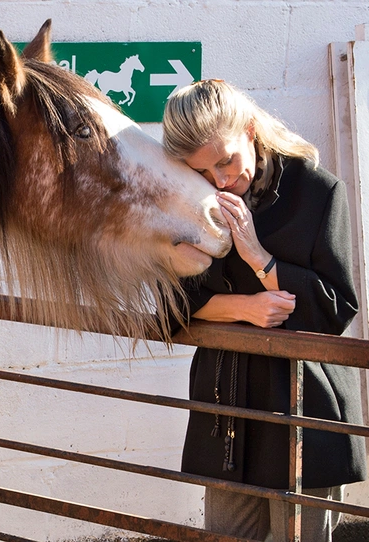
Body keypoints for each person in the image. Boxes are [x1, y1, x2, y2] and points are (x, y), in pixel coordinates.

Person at [162, 79, 366, 541]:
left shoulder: (316, 191)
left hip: (303, 405)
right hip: (226, 405)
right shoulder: (189, 196)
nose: (219, 181)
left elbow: (335, 309)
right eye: (202, 171)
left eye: (225, 161)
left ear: (250, 130)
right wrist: (248, 308)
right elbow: (166, 306)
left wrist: (259, 257)